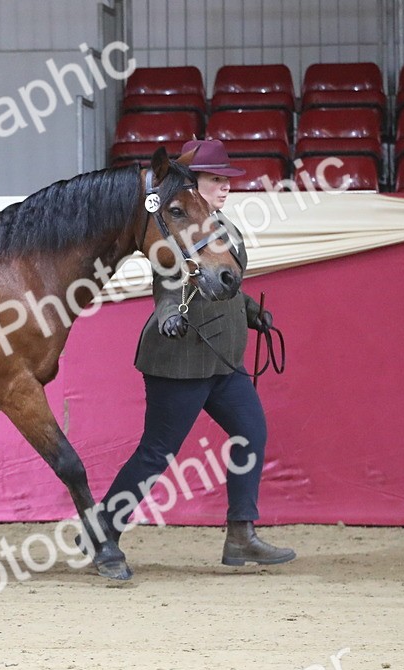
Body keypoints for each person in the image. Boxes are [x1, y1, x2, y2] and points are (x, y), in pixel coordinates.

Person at [93, 138, 295, 570]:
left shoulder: (226, 228)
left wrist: (253, 312)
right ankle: (103, 528)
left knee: (251, 434)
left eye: (226, 181)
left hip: (225, 361)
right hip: (179, 359)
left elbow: (224, 282)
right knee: (156, 453)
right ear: (191, 184)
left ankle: (241, 536)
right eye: (216, 180)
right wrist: (167, 313)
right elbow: (165, 282)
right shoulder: (177, 227)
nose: (225, 188)